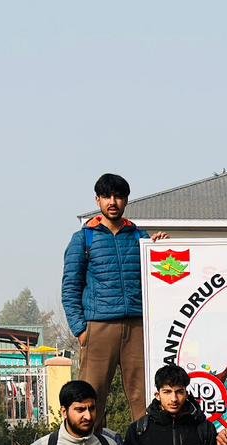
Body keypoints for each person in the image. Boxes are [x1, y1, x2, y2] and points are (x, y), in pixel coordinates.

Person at [61, 172, 169, 427]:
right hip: (99, 326)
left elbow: (160, 278)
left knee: (143, 396)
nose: (113, 202)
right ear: (97, 200)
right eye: (106, 196)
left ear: (126, 200)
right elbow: (70, 287)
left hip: (137, 326)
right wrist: (81, 330)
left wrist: (159, 249)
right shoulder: (83, 238)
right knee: (91, 396)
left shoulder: (140, 237)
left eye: (118, 196)